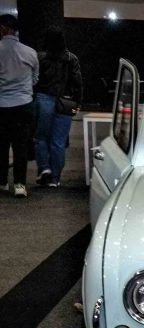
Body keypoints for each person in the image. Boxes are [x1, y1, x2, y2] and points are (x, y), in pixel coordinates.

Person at [34, 27, 82, 188]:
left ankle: (44, 168)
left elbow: (33, 80)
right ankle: (55, 178)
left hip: (43, 99)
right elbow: (78, 83)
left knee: (41, 138)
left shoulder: (40, 57)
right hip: (65, 102)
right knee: (59, 142)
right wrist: (78, 103)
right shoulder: (71, 58)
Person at [0, 14, 39, 198]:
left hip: (1, 105)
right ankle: (20, 184)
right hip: (23, 105)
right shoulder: (30, 52)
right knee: (20, 146)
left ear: (3, 28)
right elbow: (35, 79)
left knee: (1, 145)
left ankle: (2, 181)